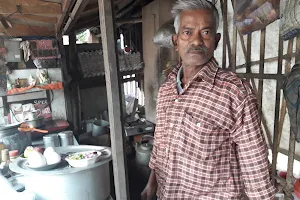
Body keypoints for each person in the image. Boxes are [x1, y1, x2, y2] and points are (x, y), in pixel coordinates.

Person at [141, 0, 276, 199]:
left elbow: (255, 165)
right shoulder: (167, 89)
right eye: (187, 32)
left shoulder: (234, 92)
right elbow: (161, 143)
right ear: (176, 41)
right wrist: (151, 184)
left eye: (205, 32)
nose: (196, 41)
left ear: (216, 40)